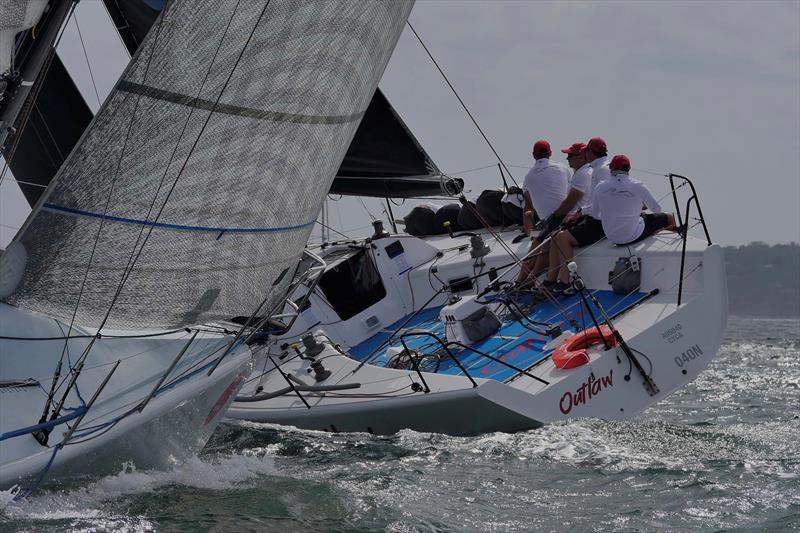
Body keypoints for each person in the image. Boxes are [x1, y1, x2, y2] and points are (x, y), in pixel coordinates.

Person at [546, 137, 610, 293]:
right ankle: (551, 280)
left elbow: (601, 203)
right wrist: (580, 213)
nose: (568, 158)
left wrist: (580, 213)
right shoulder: (601, 168)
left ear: (589, 153)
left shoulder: (600, 171)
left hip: (601, 222)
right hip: (595, 217)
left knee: (561, 237)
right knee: (555, 235)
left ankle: (567, 282)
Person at [591, 154, 676, 245]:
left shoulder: (600, 186)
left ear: (611, 167)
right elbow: (657, 209)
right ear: (629, 169)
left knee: (641, 216)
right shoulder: (638, 185)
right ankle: (675, 245)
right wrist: (639, 207)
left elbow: (595, 215)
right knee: (669, 216)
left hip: (612, 237)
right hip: (633, 236)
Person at [516, 140, 569, 285]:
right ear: (550, 153)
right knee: (539, 241)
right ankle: (526, 281)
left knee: (537, 244)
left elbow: (528, 207)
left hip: (552, 222)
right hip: (564, 216)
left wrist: (529, 232)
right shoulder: (563, 168)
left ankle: (522, 282)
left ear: (533, 155)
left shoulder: (528, 177)